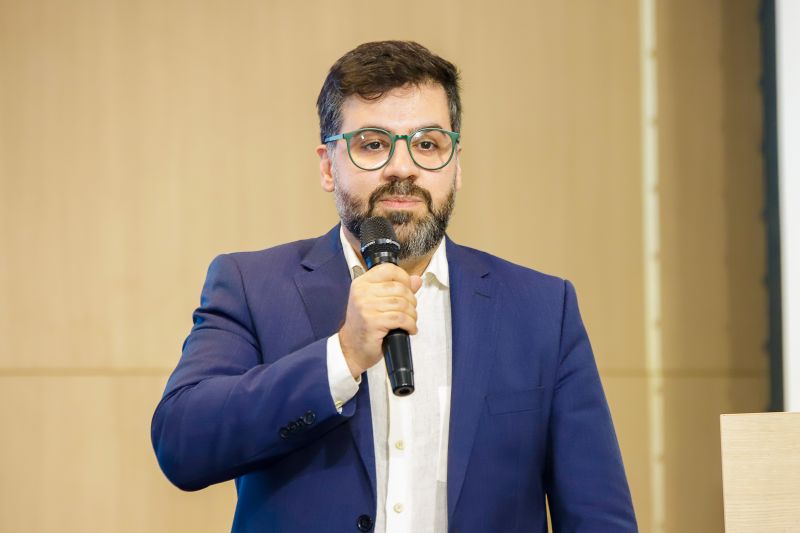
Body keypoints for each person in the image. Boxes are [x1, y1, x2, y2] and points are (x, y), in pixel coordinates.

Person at [151, 40, 637, 533]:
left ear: (456, 164)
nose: (402, 168)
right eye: (373, 144)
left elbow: (598, 516)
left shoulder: (541, 310)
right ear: (328, 166)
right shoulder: (253, 286)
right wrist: (342, 356)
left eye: (427, 144)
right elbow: (182, 445)